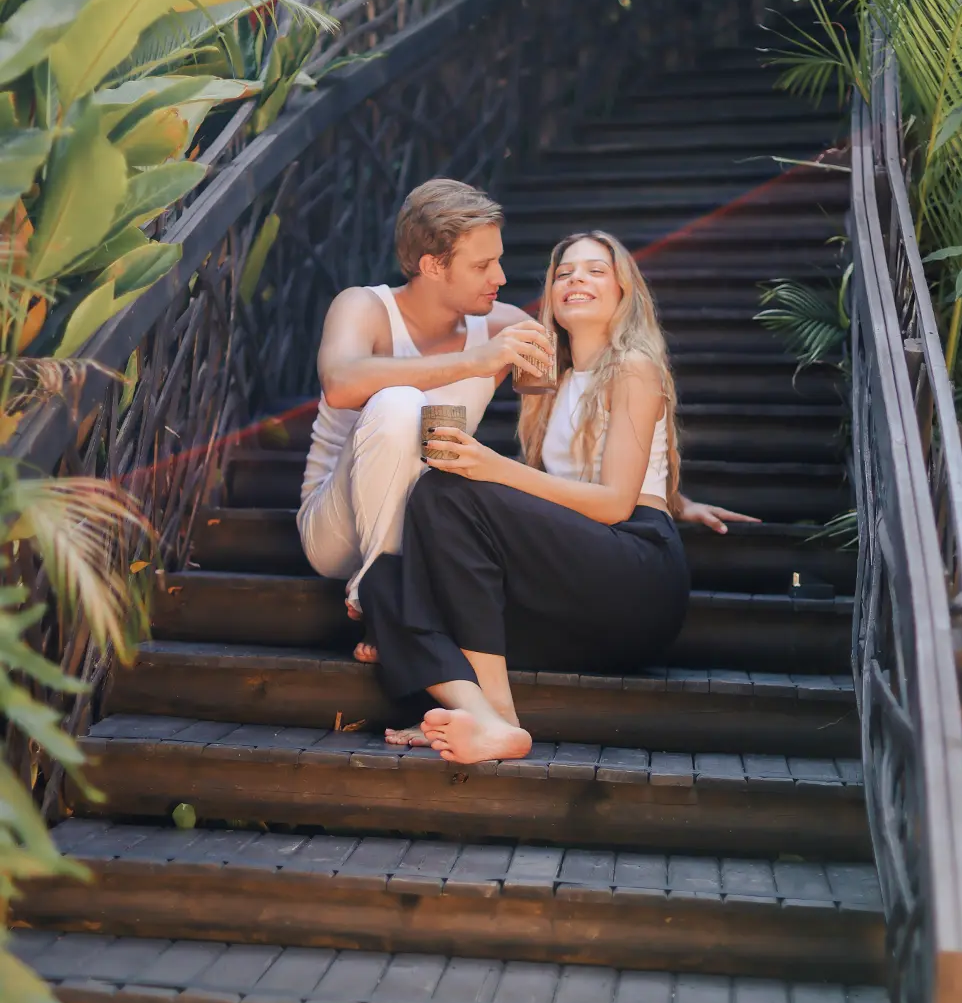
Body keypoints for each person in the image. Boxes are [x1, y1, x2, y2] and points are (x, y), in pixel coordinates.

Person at [359, 231, 757, 765]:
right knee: (387, 578)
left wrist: (494, 469)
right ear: (550, 294)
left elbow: (618, 503)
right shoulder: (551, 381)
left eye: (595, 270)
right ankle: (479, 715)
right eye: (564, 273)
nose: (576, 280)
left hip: (636, 576)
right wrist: (681, 499)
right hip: (579, 591)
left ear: (623, 291)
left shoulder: (634, 367)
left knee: (444, 491)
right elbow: (574, 488)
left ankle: (496, 713)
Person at [297, 178, 553, 659]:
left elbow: (565, 415)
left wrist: (661, 496)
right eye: (482, 265)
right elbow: (341, 383)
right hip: (336, 526)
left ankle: (403, 589)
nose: (500, 277)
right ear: (433, 265)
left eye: (497, 260)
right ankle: (383, 594)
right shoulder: (363, 306)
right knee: (397, 403)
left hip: (432, 525)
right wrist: (476, 361)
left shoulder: (504, 326)